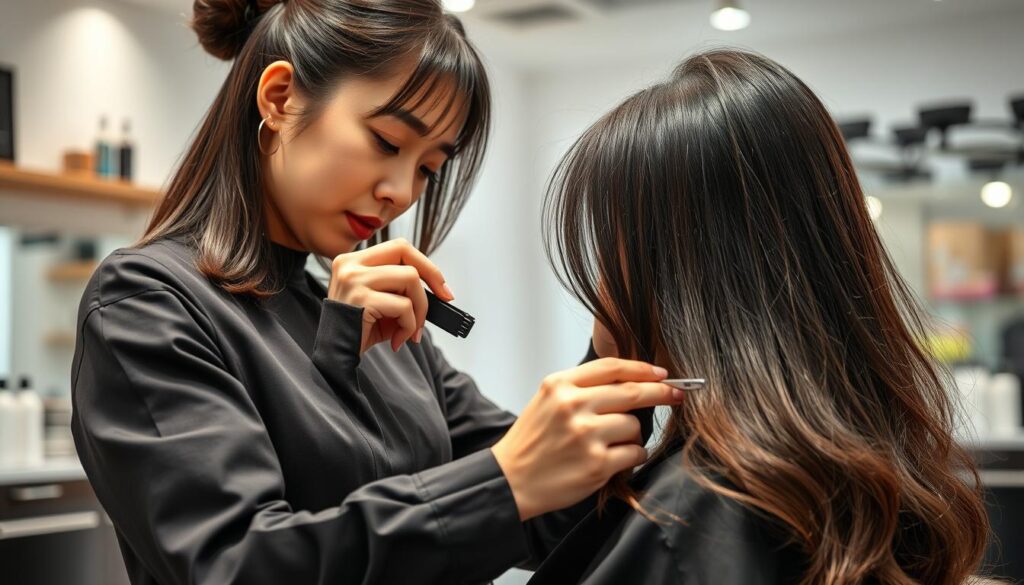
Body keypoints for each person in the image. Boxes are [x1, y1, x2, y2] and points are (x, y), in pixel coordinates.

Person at [70, 1, 684, 583]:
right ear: (280, 98)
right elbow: (238, 567)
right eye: (388, 142)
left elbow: (554, 506)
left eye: (427, 167)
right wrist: (504, 481)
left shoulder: (379, 318)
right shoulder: (146, 304)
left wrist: (617, 331)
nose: (401, 191)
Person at [530, 49, 990, 585]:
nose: (598, 292)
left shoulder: (691, 517)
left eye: (610, 254)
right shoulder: (858, 476)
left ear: (678, 282)